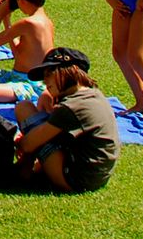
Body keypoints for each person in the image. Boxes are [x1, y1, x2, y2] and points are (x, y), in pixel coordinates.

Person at [14, 47, 119, 193]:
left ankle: (23, 172)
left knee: (24, 109)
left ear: (68, 71)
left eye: (49, 74)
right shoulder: (93, 95)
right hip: (95, 176)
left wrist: (18, 141)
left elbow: (28, 145)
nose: (45, 81)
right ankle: (26, 170)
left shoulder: (71, 107)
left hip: (75, 180)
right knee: (38, 126)